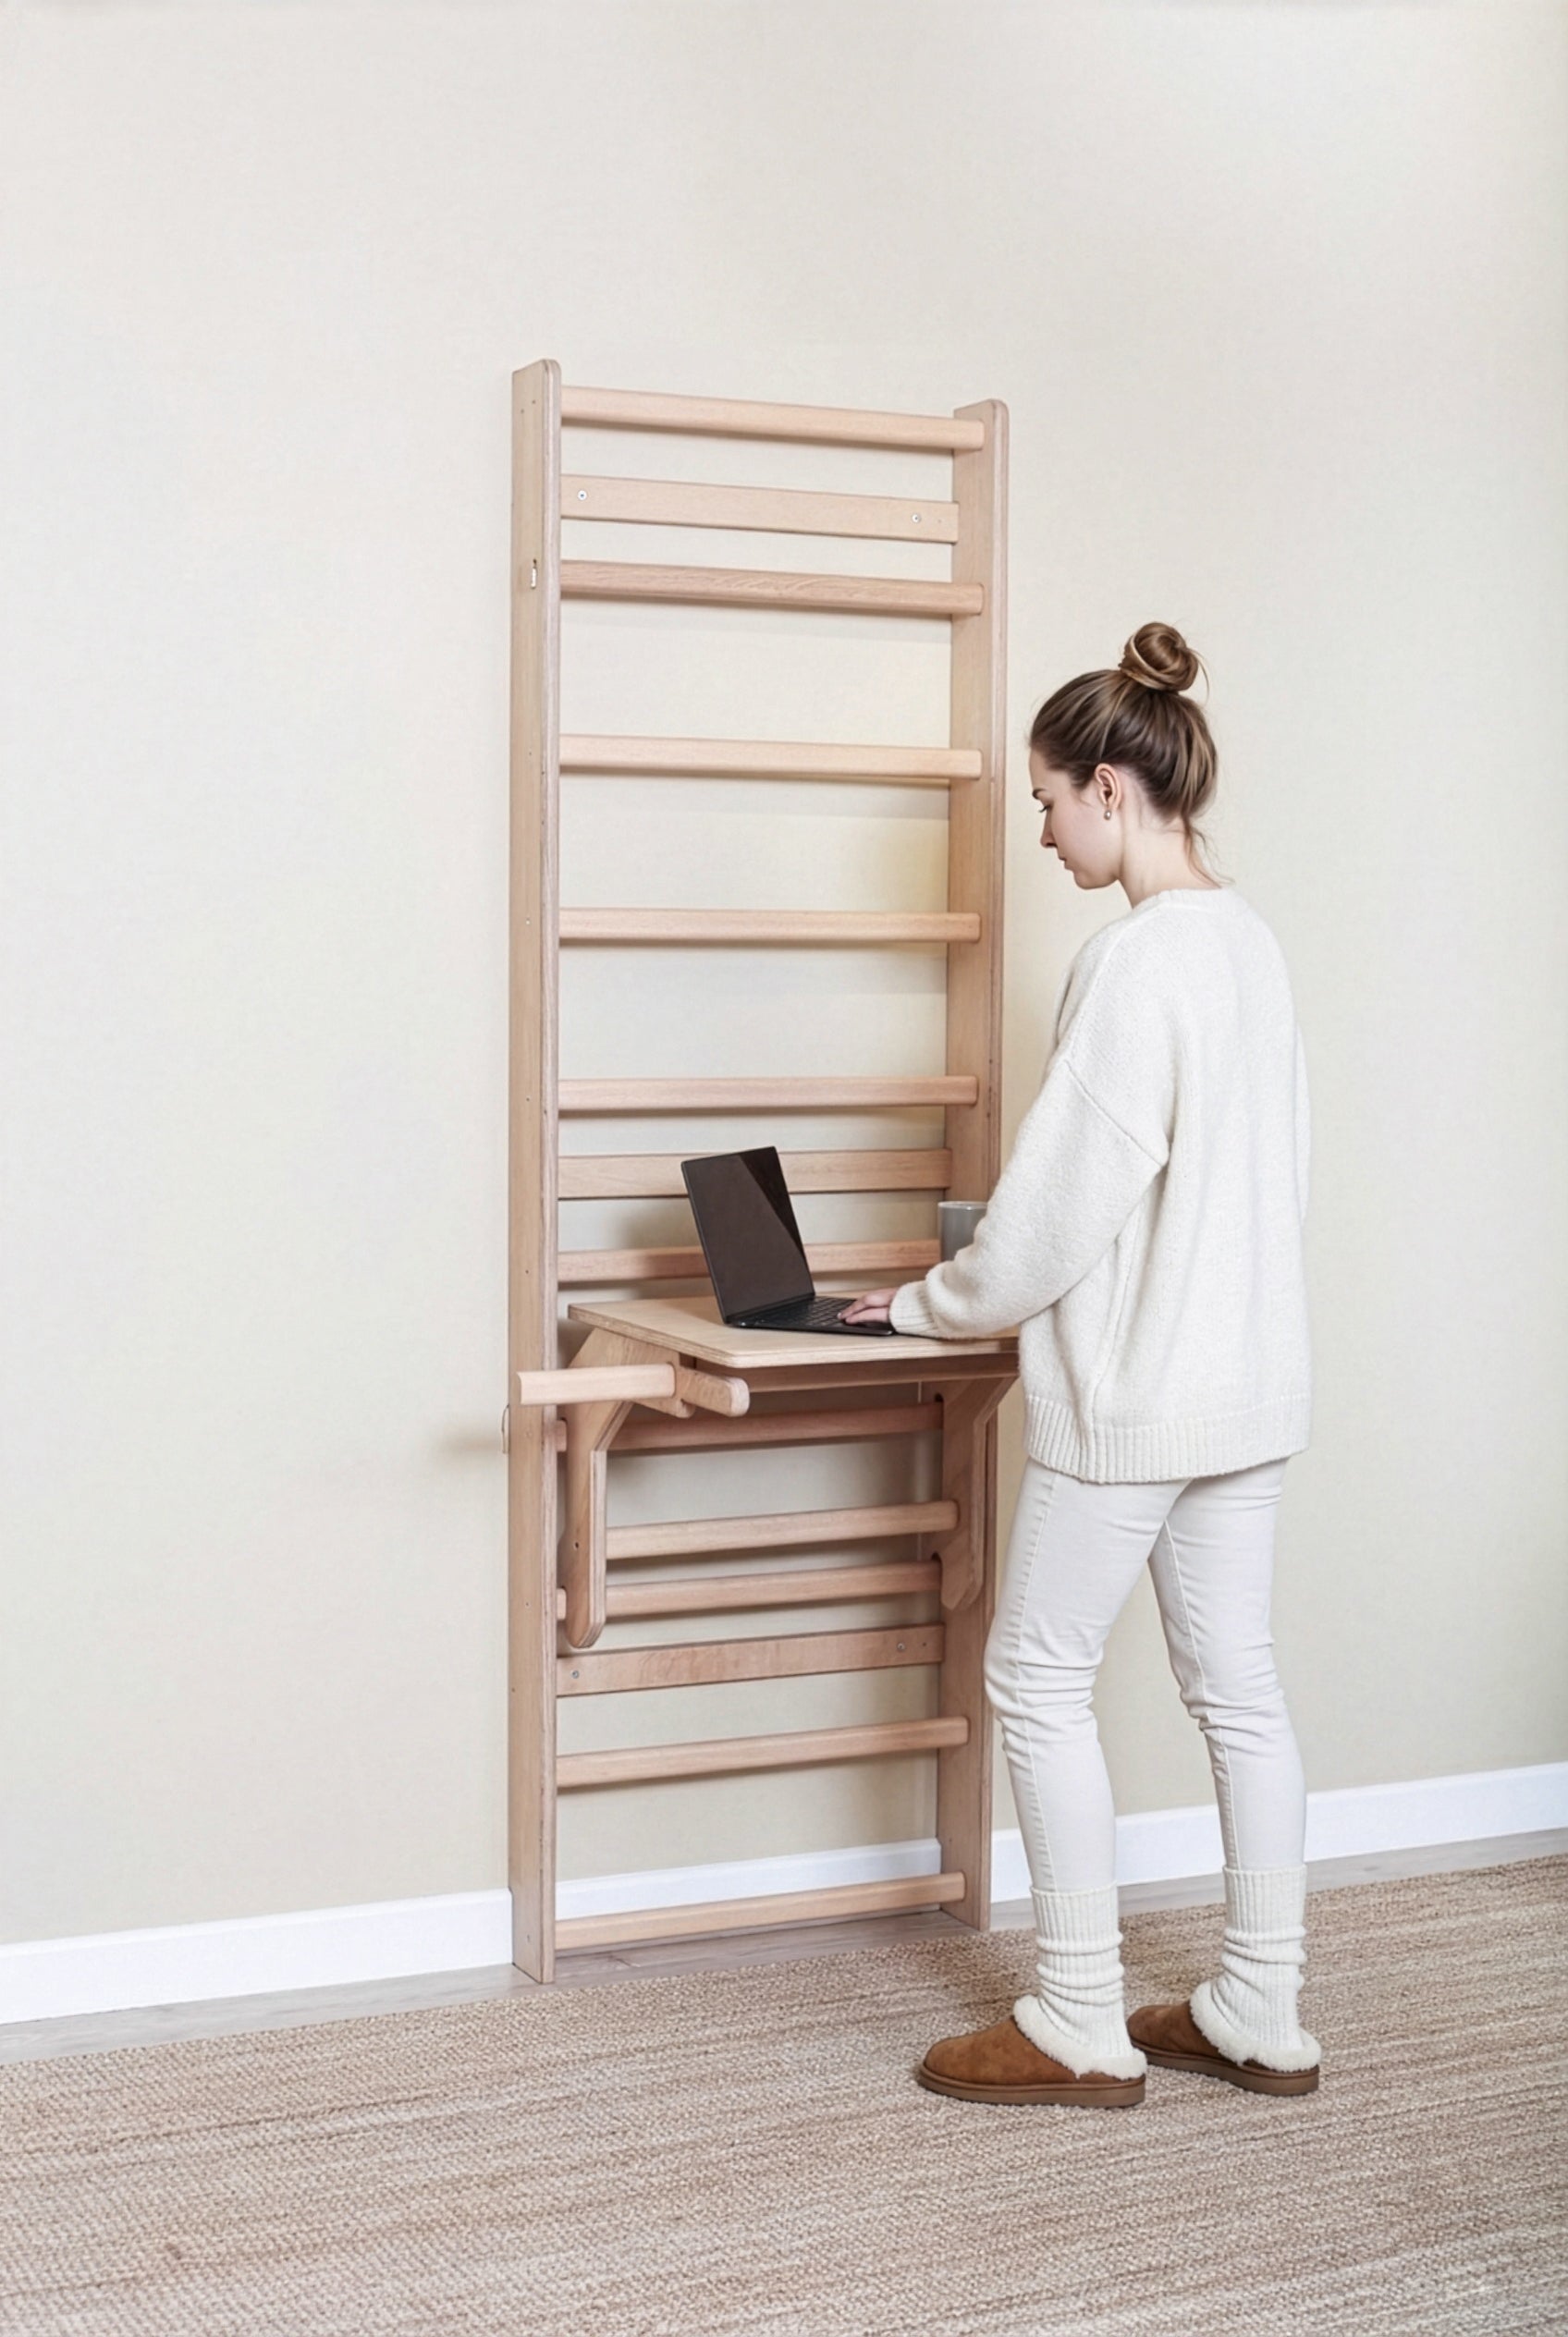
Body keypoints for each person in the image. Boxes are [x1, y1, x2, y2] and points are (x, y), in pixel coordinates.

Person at [839, 621, 1321, 2111]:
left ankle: (1076, 2018)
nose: (1042, 833)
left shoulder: (1134, 967)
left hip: (1141, 1398)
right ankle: (1258, 2005)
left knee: (1035, 1679)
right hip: (1251, 1384)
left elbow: (1056, 1216)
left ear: (1113, 789)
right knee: (1240, 1692)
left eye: (1048, 801)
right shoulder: (1250, 944)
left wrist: (928, 1303)